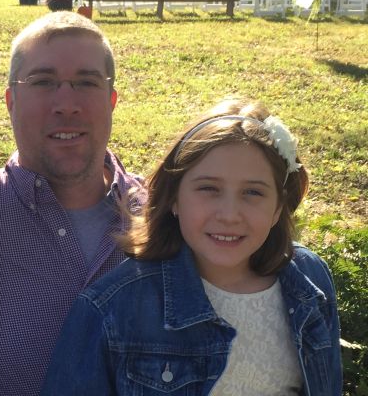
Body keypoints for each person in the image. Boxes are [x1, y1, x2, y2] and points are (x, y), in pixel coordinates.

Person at [41, 97, 343, 395]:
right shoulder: (115, 307)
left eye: (253, 192)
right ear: (173, 198)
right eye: (209, 189)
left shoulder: (309, 281)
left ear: (279, 208)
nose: (229, 215)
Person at [0, 11, 146, 396]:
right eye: (43, 81)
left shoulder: (169, 216)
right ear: (10, 100)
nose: (66, 104)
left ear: (112, 100)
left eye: (86, 82)